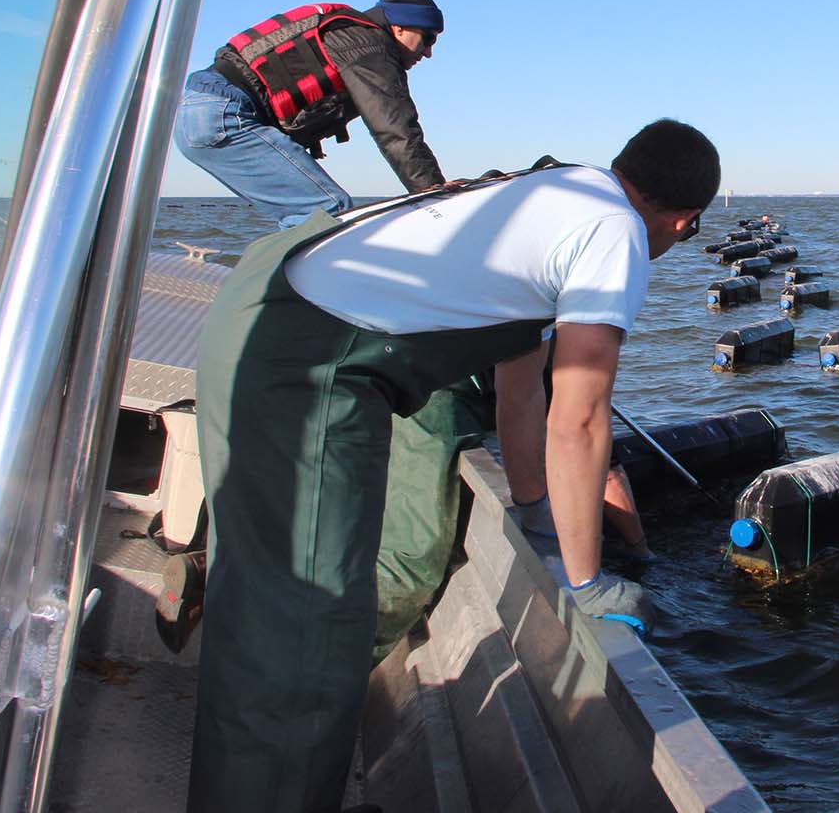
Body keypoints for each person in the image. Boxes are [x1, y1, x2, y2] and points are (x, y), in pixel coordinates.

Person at [186, 119, 719, 813]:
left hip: (273, 300)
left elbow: (521, 392)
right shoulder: (616, 232)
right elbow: (580, 417)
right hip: (311, 361)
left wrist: (534, 512)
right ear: (685, 220)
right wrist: (585, 583)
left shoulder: (557, 189)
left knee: (269, 607)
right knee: (307, 626)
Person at [172, 0, 447, 229]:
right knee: (328, 213)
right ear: (400, 27)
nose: (428, 52)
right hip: (224, 114)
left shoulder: (349, 34)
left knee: (306, 215)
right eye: (428, 38)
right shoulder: (368, 44)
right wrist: (436, 195)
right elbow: (394, 127)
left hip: (201, 109)